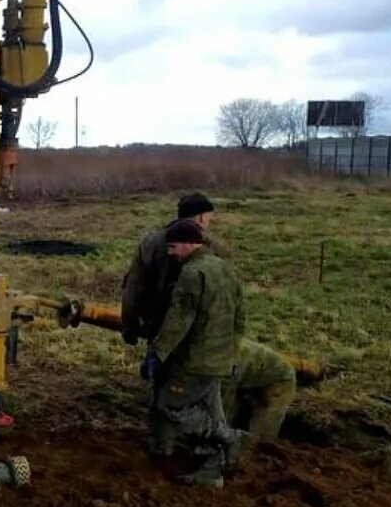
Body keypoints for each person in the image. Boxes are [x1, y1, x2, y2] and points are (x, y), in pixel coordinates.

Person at [144, 218, 245, 488]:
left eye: (173, 247)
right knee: (211, 411)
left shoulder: (191, 274)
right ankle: (212, 470)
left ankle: (228, 437)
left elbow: (179, 321)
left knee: (171, 405)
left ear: (190, 244)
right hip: (221, 359)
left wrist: (157, 353)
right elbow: (240, 317)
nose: (169, 252)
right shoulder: (226, 269)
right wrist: (233, 355)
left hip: (195, 361)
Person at [122, 192, 227, 346]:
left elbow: (133, 288)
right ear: (201, 217)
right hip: (199, 334)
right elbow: (225, 295)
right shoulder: (215, 247)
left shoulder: (149, 243)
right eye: (210, 216)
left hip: (157, 328)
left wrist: (129, 326)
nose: (210, 220)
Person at [226, 339, 297, 442]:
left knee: (259, 442)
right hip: (245, 380)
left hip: (279, 381)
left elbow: (221, 413)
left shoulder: (225, 363)